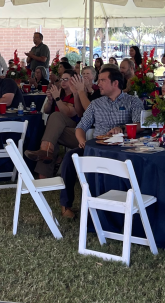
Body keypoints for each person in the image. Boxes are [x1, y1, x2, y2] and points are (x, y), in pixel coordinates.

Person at [58, 68, 143, 219]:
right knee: (70, 157)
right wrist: (82, 141)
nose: (98, 83)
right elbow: (80, 127)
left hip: (123, 148)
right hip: (97, 147)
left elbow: (139, 124)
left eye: (103, 80)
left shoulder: (133, 101)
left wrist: (122, 128)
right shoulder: (96, 104)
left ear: (115, 83)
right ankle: (66, 205)